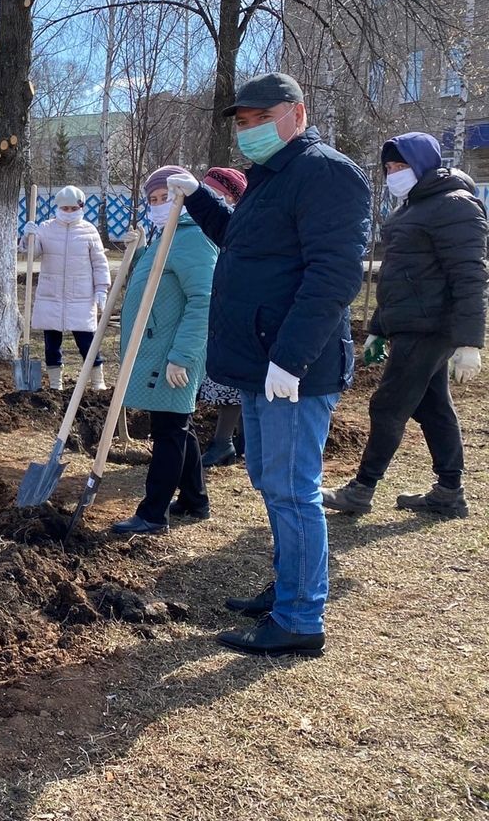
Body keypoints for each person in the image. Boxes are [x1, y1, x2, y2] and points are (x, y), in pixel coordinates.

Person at [166, 72, 370, 658]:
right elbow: (242, 244)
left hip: (291, 368)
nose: (250, 129)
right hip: (260, 363)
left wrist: (290, 357)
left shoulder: (325, 173)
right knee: (269, 480)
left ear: (297, 115)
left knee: (291, 489)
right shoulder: (267, 178)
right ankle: (288, 585)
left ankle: (301, 617)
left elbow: (334, 274)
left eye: (262, 118)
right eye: (243, 121)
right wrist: (199, 197)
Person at [322, 132, 487, 519]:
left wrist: (469, 343)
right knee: (432, 407)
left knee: (387, 405)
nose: (394, 173)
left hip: (432, 326)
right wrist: (379, 327)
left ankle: (361, 490)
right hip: (413, 324)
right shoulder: (413, 208)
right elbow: (398, 277)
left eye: (401, 165)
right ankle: (449, 491)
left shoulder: (454, 205)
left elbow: (470, 276)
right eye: (389, 167)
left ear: (425, 164)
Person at [110, 166, 218, 535]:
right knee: (175, 425)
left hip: (173, 354)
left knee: (169, 430)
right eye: (153, 200)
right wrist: (137, 250)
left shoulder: (194, 238)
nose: (159, 205)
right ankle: (195, 499)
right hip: (158, 348)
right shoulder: (166, 236)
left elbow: (203, 301)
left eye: (166, 198)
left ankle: (153, 513)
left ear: (184, 198)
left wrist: (182, 356)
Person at [21, 185, 111, 391]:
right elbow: (32, 255)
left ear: (81, 207)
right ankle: (55, 385)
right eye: (65, 208)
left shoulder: (89, 231)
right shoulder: (46, 228)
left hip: (81, 295)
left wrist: (101, 289)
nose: (69, 212)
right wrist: (28, 238)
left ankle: (98, 382)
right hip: (51, 295)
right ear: (58, 207)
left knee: (87, 342)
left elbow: (99, 262)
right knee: (52, 344)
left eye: (73, 208)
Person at [194, 167, 249, 468]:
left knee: (234, 381)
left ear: (231, 197)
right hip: (220, 311)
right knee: (230, 381)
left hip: (235, 313)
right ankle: (241, 440)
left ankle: (225, 442)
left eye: (216, 192)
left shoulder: (237, 226)